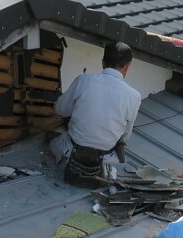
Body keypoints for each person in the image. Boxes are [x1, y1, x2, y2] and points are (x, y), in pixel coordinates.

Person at [49, 41, 142, 188]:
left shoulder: (83, 80)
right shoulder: (134, 96)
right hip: (105, 158)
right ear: (127, 66)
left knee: (52, 142)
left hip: (72, 152)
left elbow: (60, 110)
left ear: (103, 63)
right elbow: (125, 136)